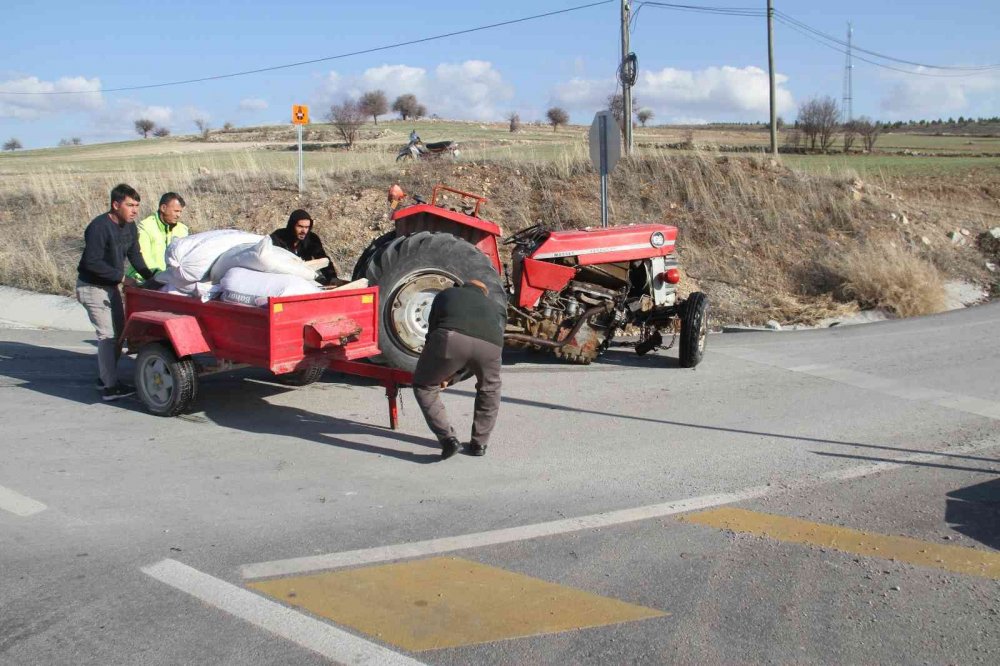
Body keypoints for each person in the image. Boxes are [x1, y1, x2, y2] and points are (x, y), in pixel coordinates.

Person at [76, 183, 156, 401]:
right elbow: (91, 263)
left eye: (137, 206)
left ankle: (105, 378)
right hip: (92, 287)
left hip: (110, 286)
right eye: (130, 205)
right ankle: (110, 388)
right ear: (115, 204)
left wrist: (151, 278)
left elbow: (135, 255)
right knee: (107, 336)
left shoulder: (130, 227)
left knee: (119, 335)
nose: (135, 210)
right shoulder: (98, 227)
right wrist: (122, 278)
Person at [412, 279, 505, 460]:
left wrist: (440, 371)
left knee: (424, 386)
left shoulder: (447, 294)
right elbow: (474, 356)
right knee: (490, 390)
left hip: (450, 338)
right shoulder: (495, 306)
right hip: (491, 348)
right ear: (484, 293)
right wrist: (455, 375)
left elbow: (432, 332)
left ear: (463, 287)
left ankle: (448, 439)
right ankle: (480, 443)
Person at [126, 192, 189, 283]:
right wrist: (160, 276)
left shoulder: (182, 230)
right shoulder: (146, 227)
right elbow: (143, 257)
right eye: (176, 211)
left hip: (169, 281)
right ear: (163, 208)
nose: (178, 215)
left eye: (180, 212)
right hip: (143, 280)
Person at [270, 209, 338, 285]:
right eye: (300, 226)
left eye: (307, 227)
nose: (304, 231)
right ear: (292, 225)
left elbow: (322, 259)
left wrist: (332, 277)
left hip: (305, 279)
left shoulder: (312, 239)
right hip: (283, 279)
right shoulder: (278, 237)